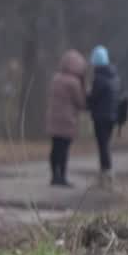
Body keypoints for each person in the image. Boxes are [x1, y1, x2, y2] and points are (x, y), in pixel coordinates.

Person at [46, 49, 88, 187]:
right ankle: (62, 177)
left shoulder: (55, 78)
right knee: (64, 150)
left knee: (55, 148)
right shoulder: (74, 82)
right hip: (67, 120)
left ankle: (54, 175)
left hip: (53, 118)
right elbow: (81, 103)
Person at [87, 45, 122, 187]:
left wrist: (87, 98)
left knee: (103, 145)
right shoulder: (114, 76)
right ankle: (106, 172)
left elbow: (93, 98)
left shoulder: (99, 78)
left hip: (101, 116)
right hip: (112, 116)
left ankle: (106, 173)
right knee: (105, 143)